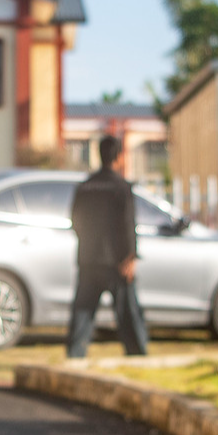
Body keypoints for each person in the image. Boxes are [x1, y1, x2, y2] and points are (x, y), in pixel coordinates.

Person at [66, 134, 148, 358]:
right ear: (119, 157)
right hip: (117, 262)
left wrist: (89, 244)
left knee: (83, 313)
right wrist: (130, 257)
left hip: (89, 260)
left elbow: (75, 221)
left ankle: (75, 356)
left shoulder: (85, 187)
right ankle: (137, 355)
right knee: (128, 314)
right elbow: (127, 224)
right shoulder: (121, 187)